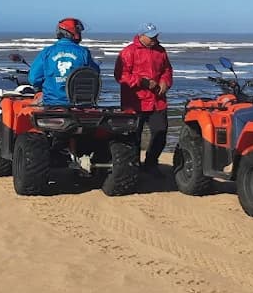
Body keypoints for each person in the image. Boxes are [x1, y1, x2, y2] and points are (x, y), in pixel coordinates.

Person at [114, 22, 173, 175]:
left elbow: (167, 70)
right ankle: (133, 166)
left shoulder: (160, 51)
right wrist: (142, 81)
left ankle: (151, 163)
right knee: (134, 136)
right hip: (135, 101)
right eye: (151, 37)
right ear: (141, 36)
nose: (154, 39)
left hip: (157, 101)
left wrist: (165, 82)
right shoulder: (128, 52)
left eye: (156, 36)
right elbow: (120, 75)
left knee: (160, 132)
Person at [29, 17, 100, 105]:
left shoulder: (47, 52)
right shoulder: (84, 52)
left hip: (52, 102)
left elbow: (33, 78)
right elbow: (95, 73)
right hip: (79, 103)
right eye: (79, 31)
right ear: (73, 32)